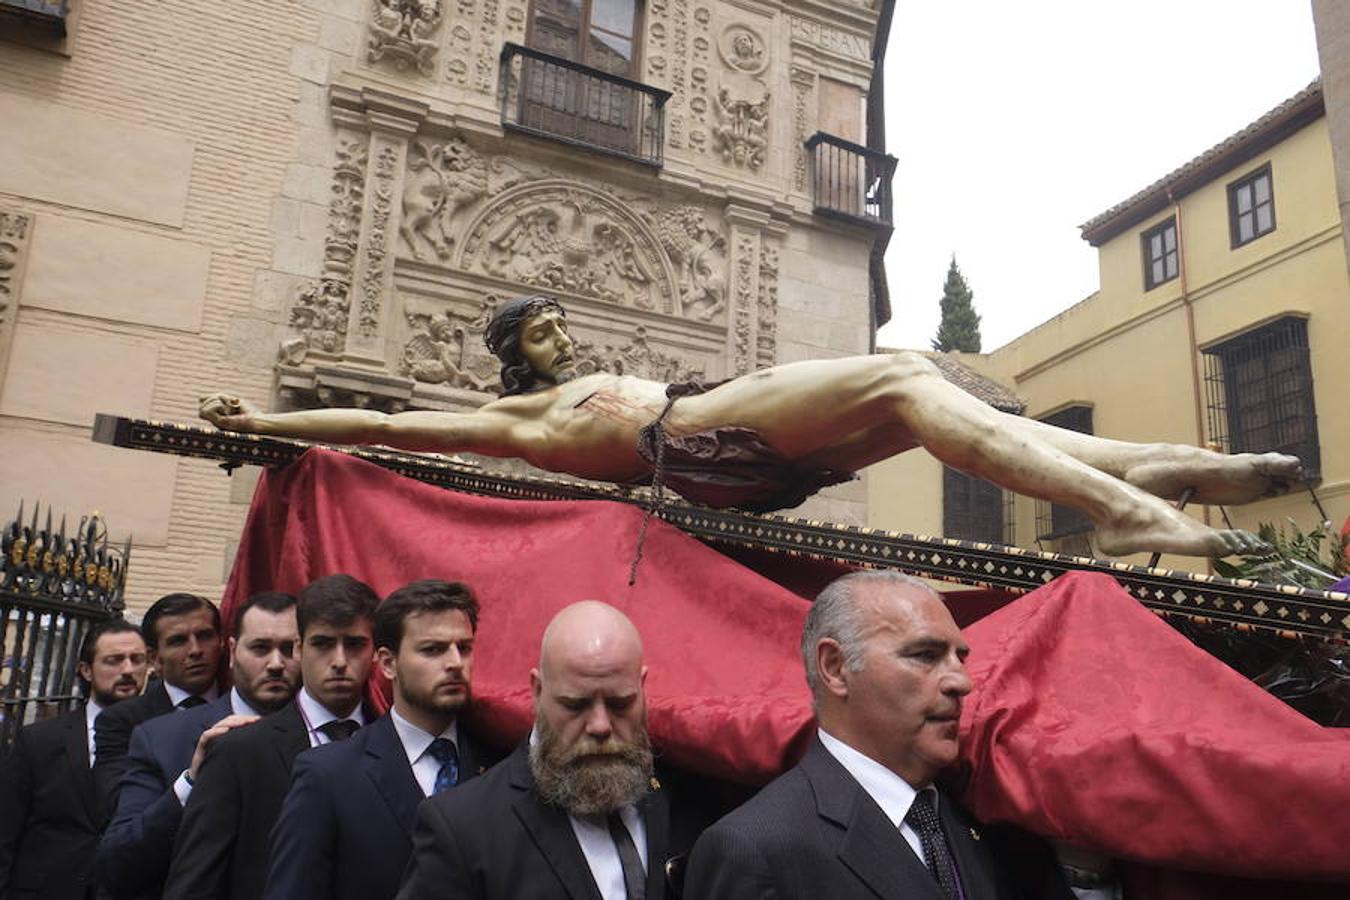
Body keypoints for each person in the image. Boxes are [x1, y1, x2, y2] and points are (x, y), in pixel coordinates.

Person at [199, 295, 1303, 559]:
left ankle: (1171, 471)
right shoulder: (516, 416)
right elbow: (402, 427)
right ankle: (1124, 505)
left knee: (923, 401)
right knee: (907, 377)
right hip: (694, 443)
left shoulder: (572, 388)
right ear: (510, 357)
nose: (557, 335)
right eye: (537, 330)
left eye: (553, 324)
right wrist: (270, 420)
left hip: (728, 450)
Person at [683, 571, 1096, 900]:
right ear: (835, 667)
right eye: (926, 655)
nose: (962, 682)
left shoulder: (987, 823)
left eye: (960, 658)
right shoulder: (755, 850)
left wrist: (1087, 868)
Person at [396, 600, 708, 900]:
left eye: (620, 703)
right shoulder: (463, 830)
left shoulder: (680, 796)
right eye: (575, 705)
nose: (600, 726)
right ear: (537, 691)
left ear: (642, 688)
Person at [264, 580, 498, 900]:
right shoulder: (329, 776)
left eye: (465, 648)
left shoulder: (499, 763)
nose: (455, 663)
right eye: (433, 649)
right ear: (388, 663)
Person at [163, 575, 378, 900]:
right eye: (322, 643)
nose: (339, 661)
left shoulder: (391, 745)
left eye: (354, 644)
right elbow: (195, 883)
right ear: (299, 648)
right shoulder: (239, 751)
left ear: (376, 652)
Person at [97, 591, 302, 899]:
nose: (275, 664)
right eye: (260, 648)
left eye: (289, 649)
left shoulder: (332, 737)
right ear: (233, 651)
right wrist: (190, 781)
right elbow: (118, 863)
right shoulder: (158, 739)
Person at [0, 619, 149, 900]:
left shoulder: (159, 738)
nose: (128, 670)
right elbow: (6, 830)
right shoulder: (39, 741)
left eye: (136, 659)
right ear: (86, 670)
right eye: (113, 661)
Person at [94, 594, 224, 811]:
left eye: (204, 636)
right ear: (154, 658)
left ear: (221, 643)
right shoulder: (122, 722)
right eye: (178, 641)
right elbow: (118, 806)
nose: (195, 650)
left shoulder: (245, 705)